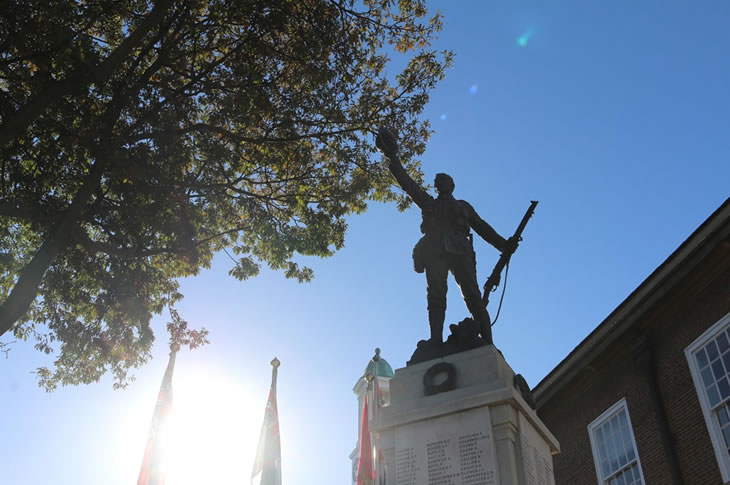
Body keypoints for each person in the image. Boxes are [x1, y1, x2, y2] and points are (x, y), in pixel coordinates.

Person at [375, 127, 515, 345]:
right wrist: (392, 156)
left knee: (473, 298)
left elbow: (482, 228)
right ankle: (435, 341)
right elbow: (407, 183)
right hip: (434, 251)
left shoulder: (463, 206)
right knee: (436, 297)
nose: (438, 183)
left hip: (460, 250)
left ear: (451, 185)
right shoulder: (428, 203)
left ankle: (489, 343)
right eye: (436, 181)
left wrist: (503, 244)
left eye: (442, 180)